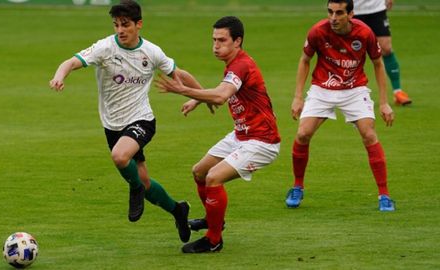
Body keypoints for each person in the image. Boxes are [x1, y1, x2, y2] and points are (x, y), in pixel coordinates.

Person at [49, 0, 202, 243]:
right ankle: (178, 210)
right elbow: (71, 62)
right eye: (116, 25)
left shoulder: (151, 52)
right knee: (145, 182)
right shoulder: (105, 48)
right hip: (112, 125)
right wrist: (59, 75)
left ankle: (134, 189)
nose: (120, 30)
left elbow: (178, 73)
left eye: (125, 25)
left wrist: (201, 96)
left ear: (139, 25)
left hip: (142, 119)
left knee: (120, 158)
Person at [155, 16, 281, 253]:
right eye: (213, 40)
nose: (216, 46)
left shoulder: (242, 65)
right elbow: (224, 90)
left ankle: (214, 240)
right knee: (200, 172)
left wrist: (184, 90)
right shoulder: (234, 65)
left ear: (238, 41)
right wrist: (197, 99)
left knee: (213, 178)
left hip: (262, 142)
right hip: (241, 136)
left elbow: (222, 96)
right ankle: (215, 220)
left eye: (222, 40)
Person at [284, 0, 396, 212]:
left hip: (355, 90)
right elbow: (304, 60)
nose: (333, 18)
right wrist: (298, 97)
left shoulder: (365, 33)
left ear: (351, 14)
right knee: (302, 134)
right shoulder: (318, 31)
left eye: (339, 13)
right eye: (330, 12)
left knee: (369, 135)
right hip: (322, 89)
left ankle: (384, 195)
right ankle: (297, 187)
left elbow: (378, 64)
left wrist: (384, 103)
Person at [353, 0, 412, 105]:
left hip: (376, 8)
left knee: (386, 48)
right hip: (352, 10)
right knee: (350, 50)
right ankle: (344, 91)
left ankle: (398, 92)